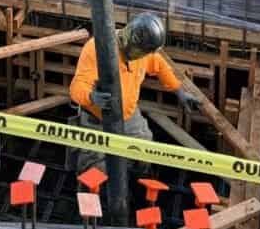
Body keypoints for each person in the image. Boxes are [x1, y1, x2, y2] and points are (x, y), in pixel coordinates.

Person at [69, 13, 201, 173]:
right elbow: (76, 87)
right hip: (96, 119)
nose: (145, 56)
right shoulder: (97, 49)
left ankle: (136, 182)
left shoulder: (143, 52)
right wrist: (91, 97)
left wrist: (178, 91)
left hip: (128, 116)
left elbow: (159, 64)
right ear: (132, 41)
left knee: (144, 152)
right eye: (143, 52)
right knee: (95, 171)